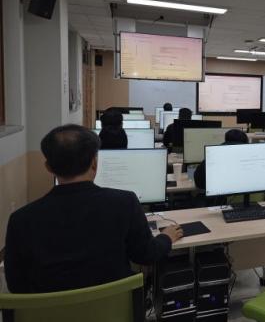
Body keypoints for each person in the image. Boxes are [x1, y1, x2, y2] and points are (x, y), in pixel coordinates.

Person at [4, 125, 182, 293]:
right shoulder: (124, 203)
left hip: (49, 311)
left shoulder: (20, 220)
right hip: (115, 308)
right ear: (94, 163)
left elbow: (15, 285)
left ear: (48, 167)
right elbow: (146, 255)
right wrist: (166, 237)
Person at [193, 129, 249, 206]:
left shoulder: (215, 154)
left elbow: (199, 182)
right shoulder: (248, 157)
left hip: (216, 205)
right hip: (249, 203)